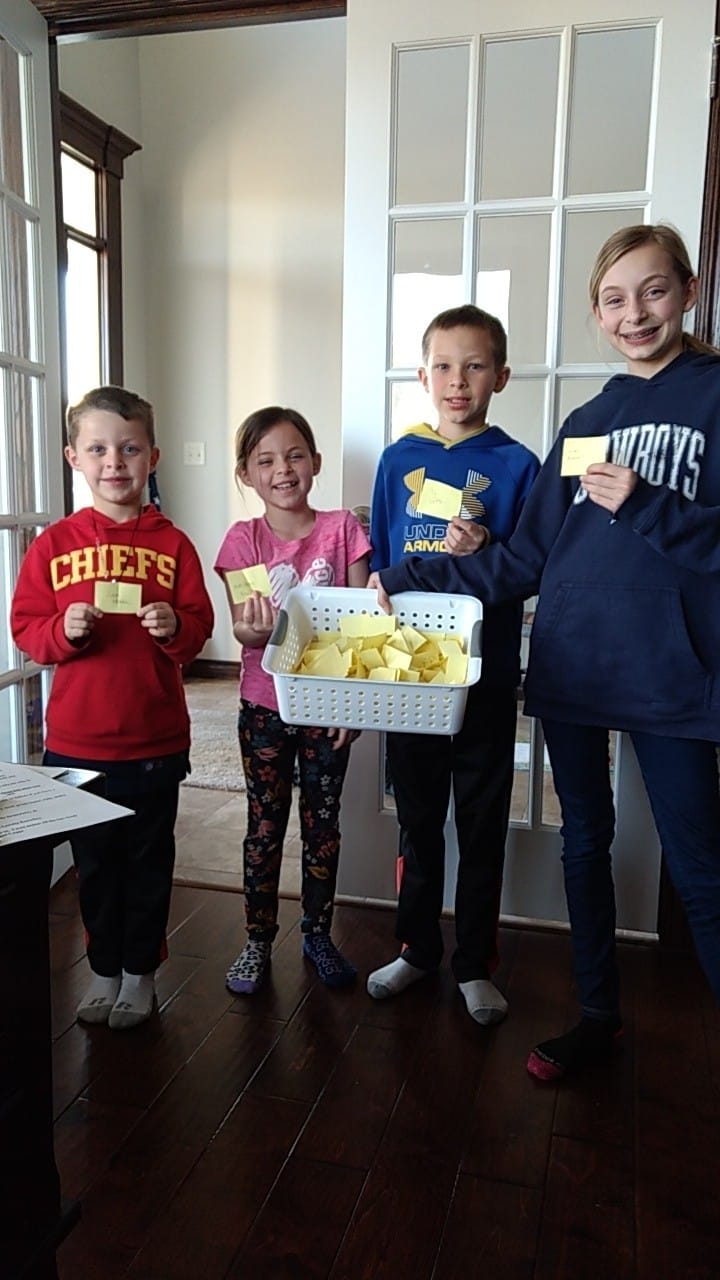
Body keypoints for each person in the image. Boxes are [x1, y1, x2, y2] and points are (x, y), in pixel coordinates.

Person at [370, 223, 720, 1080]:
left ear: (688, 290)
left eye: (653, 291)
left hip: (672, 673)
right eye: (614, 299)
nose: (635, 314)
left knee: (701, 866)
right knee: (583, 844)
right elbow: (523, 559)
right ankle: (597, 1017)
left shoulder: (715, 396)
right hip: (574, 666)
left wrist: (648, 504)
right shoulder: (589, 420)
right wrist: (411, 575)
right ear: (598, 314)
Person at [11, 386, 214, 1029]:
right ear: (73, 457)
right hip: (77, 743)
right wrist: (62, 631)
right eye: (98, 449)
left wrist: (174, 627)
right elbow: (27, 630)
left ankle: (141, 973)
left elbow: (199, 628)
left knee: (149, 863)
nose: (114, 463)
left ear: (153, 456)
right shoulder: (54, 545)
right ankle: (103, 970)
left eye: (129, 449)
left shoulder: (174, 545)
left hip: (155, 740)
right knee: (94, 866)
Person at [366, 304, 540, 1025]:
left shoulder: (518, 464)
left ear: (501, 375)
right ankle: (416, 948)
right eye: (443, 366)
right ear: (423, 375)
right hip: (411, 672)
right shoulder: (397, 459)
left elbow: (528, 566)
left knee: (480, 819)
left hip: (484, 672)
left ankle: (474, 963)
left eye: (474, 366)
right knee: (417, 818)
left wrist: (484, 549)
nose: (457, 381)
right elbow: (383, 563)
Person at [214, 405, 371, 995]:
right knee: (264, 826)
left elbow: (363, 629)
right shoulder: (243, 540)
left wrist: (352, 706)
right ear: (247, 475)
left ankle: (318, 934)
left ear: (316, 463)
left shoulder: (343, 529)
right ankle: (257, 939)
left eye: (294, 455)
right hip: (264, 706)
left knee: (322, 824)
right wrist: (253, 630)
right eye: (266, 461)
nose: (283, 469)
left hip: (327, 709)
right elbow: (243, 626)